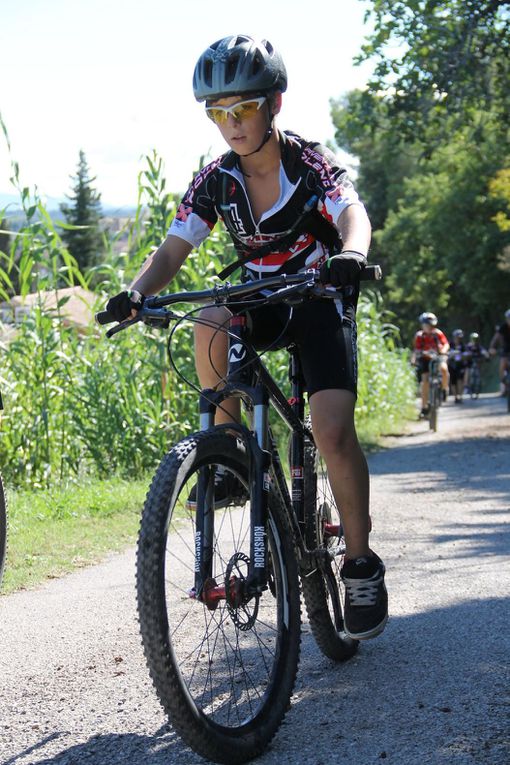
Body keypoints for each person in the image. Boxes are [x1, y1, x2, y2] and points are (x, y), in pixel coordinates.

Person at [104, 35, 387, 641]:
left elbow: (350, 212)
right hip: (259, 303)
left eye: (243, 109)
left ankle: (361, 563)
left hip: (317, 298)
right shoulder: (217, 181)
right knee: (209, 318)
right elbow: (174, 248)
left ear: (274, 103)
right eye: (217, 113)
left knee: (333, 431)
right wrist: (135, 292)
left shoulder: (307, 163)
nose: (230, 125)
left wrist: (353, 253)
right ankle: (229, 456)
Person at [412, 312, 450, 416]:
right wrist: (414, 360)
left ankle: (444, 389)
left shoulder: (438, 333)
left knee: (444, 369)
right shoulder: (419, 336)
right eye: (426, 325)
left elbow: (445, 343)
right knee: (425, 381)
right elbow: (416, 349)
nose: (428, 327)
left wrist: (443, 351)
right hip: (425, 359)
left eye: (430, 325)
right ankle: (424, 407)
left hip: (438, 357)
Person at [489, 309, 510, 394]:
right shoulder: (503, 327)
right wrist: (492, 348)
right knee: (502, 365)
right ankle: (503, 383)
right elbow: (495, 338)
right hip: (506, 349)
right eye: (509, 318)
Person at [447, 329, 468, 403]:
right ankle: (455, 397)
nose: (458, 339)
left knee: (460, 380)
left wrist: (463, 355)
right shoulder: (449, 345)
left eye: (460, 337)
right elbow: (446, 352)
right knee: (453, 382)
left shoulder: (463, 345)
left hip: (460, 365)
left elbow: (466, 354)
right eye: (457, 337)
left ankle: (460, 396)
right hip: (452, 365)